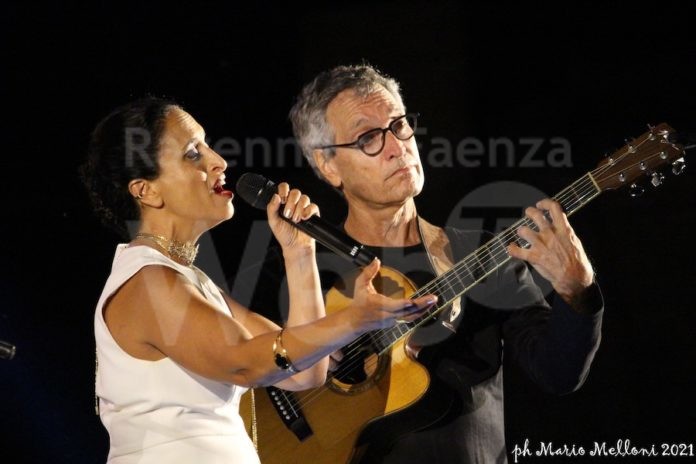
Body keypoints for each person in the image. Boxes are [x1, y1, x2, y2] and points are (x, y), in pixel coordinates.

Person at [237, 65, 603, 463]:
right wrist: (314, 344)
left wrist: (577, 288)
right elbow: (244, 377)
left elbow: (559, 374)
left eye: (398, 126)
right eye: (369, 138)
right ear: (328, 165)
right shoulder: (299, 265)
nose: (397, 147)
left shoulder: (479, 254)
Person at [80, 97, 437, 464]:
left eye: (207, 145)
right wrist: (353, 319)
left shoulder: (192, 283)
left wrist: (299, 252)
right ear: (146, 191)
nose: (218, 161)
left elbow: (305, 373)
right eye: (192, 153)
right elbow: (246, 363)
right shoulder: (146, 284)